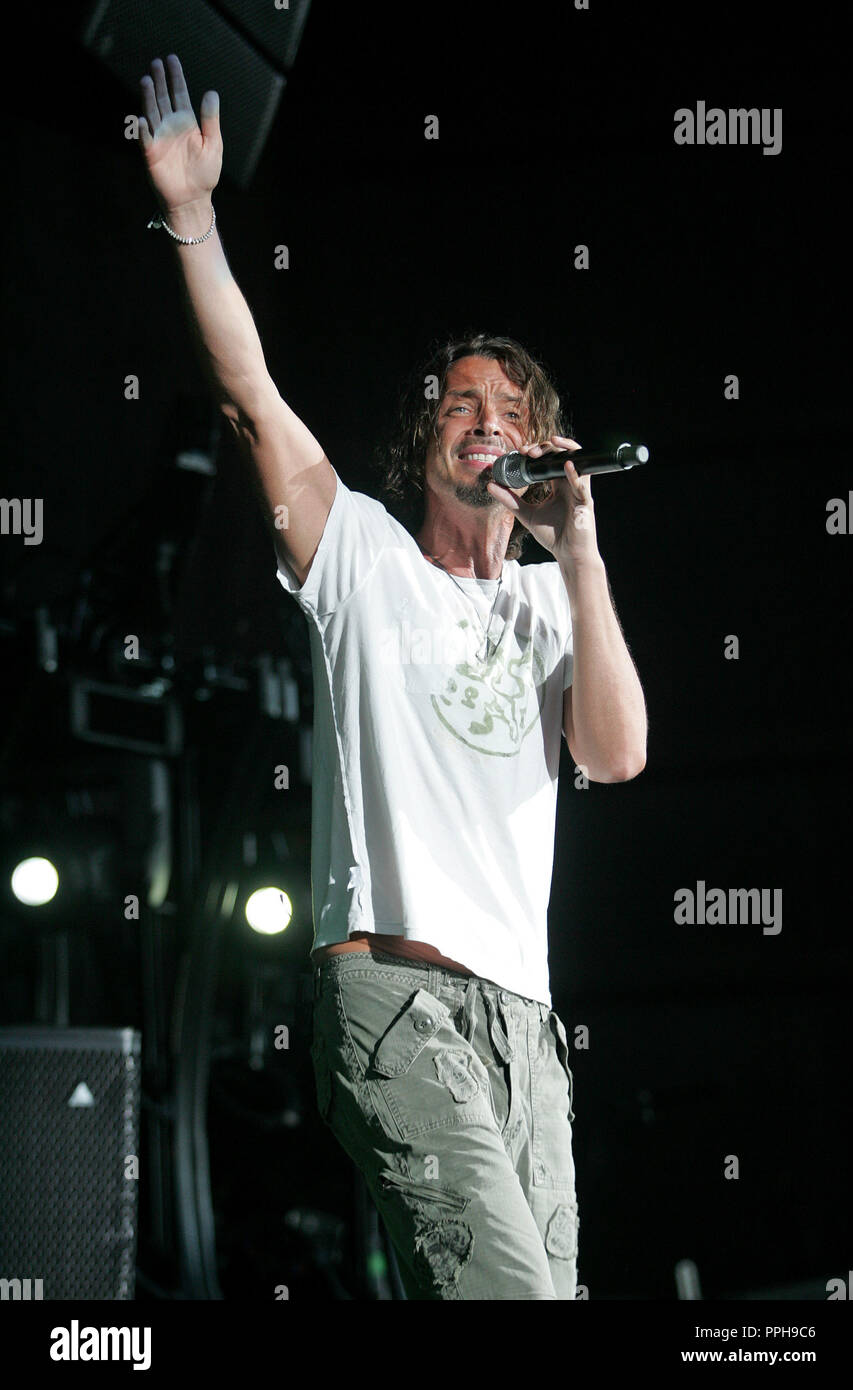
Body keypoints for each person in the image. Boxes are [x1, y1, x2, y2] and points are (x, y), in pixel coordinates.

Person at [137, 54, 647, 1300]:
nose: (486, 416)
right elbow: (253, 399)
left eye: (512, 409)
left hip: (524, 1026)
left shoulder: (548, 599)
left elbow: (616, 752)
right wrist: (196, 223)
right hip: (395, 999)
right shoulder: (361, 552)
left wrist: (575, 549)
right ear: (427, 440)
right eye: (462, 402)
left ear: (540, 446)